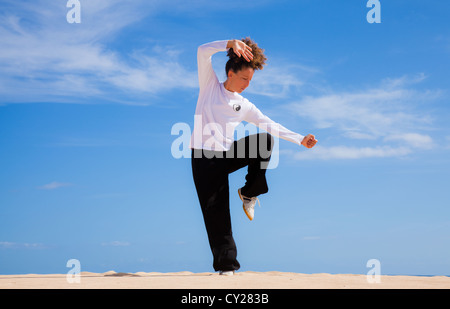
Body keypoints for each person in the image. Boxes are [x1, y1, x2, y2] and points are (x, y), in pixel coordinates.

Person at [190, 38, 317, 275]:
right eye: (244, 79)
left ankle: (249, 192)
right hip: (203, 159)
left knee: (265, 140)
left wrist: (300, 138)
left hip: (226, 154)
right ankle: (227, 268)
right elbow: (202, 51)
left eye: (250, 80)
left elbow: (270, 124)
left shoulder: (244, 105)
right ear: (230, 73)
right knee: (216, 212)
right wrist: (229, 44)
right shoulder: (210, 86)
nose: (248, 84)